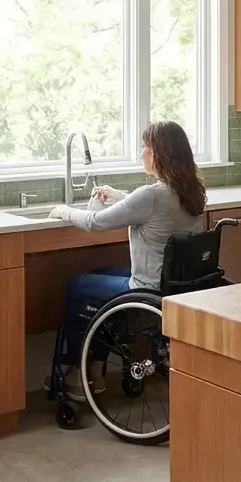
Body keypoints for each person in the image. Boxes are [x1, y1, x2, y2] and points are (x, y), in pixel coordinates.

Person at [47, 121, 206, 398]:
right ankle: (96, 367)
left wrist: (62, 210)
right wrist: (120, 197)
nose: (141, 152)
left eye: (144, 147)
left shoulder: (151, 196)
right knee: (101, 273)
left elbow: (95, 222)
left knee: (77, 286)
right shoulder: (192, 191)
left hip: (146, 291)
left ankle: (76, 372)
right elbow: (151, 208)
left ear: (158, 154)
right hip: (176, 288)